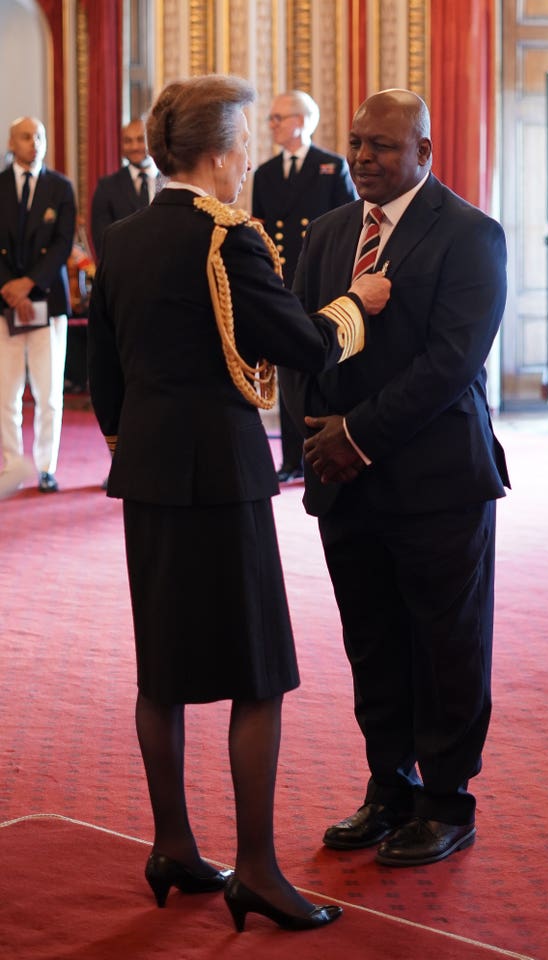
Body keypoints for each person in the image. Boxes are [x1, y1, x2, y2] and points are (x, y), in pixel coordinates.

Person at [87, 74, 390, 930]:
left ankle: (174, 844)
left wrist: (136, 436)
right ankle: (254, 868)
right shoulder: (228, 239)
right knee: (259, 675)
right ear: (220, 153)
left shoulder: (124, 237)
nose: (248, 154)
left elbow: (106, 381)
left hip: (146, 476)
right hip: (220, 477)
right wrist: (356, 305)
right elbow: (299, 345)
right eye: (244, 139)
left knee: (165, 670)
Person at [280, 88, 510, 868]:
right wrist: (313, 443)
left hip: (437, 482)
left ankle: (447, 801)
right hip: (345, 481)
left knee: (446, 644)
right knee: (372, 641)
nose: (365, 158)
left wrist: (358, 434)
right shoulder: (331, 230)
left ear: (424, 152)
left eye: (382, 145)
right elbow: (305, 346)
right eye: (356, 143)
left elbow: (451, 364)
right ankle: (389, 787)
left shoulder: (473, 235)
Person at [252, 90, 356, 483]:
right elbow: (261, 232)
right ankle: (290, 458)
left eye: (278, 118)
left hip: (319, 281)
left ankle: (322, 450)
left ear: (301, 121)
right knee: (288, 369)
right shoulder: (264, 173)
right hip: (282, 282)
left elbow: (346, 226)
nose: (272, 125)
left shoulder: (330, 167)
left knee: (319, 364)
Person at [0, 116, 76, 497]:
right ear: (12, 143)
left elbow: (63, 245)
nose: (35, 143)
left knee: (48, 393)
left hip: (48, 300)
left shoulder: (60, 187)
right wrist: (10, 289)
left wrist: (29, 285)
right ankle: (13, 464)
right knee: (6, 393)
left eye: (40, 136)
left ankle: (46, 466)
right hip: (4, 303)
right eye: (27, 137)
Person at [90, 117, 163, 260]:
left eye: (141, 139)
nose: (134, 147)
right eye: (128, 141)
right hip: (124, 271)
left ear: (153, 141)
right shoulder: (106, 188)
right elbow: (103, 242)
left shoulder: (170, 181)